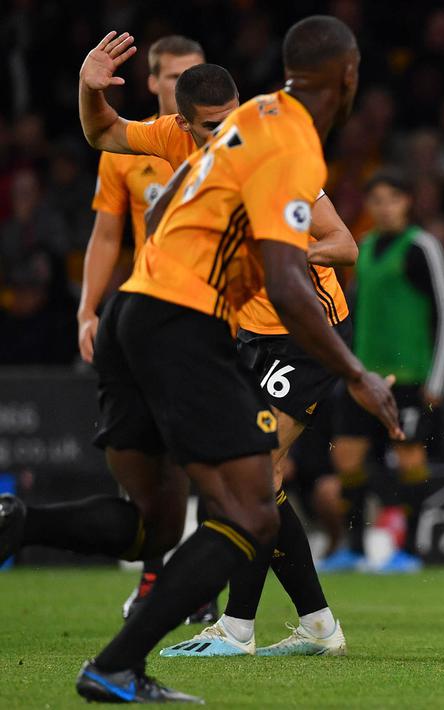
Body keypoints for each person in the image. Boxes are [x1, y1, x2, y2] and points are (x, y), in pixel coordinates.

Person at [0, 18, 401, 703]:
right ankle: (200, 640)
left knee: (155, 523)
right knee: (250, 506)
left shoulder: (230, 137)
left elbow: (129, 172)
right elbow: (284, 281)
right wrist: (356, 371)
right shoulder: (281, 144)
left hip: (138, 312)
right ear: (349, 76)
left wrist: (86, 91)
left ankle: (18, 523)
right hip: (189, 323)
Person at [77, 40, 359, 657]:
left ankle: (238, 629)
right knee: (252, 479)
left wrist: (283, 250)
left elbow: (343, 244)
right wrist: (88, 86)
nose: (227, 134)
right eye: (212, 126)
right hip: (247, 335)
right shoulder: (170, 140)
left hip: (306, 334)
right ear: (183, 125)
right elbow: (102, 133)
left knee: (254, 474)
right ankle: (318, 627)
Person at [73, 32, 217, 625]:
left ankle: (195, 582)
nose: (188, 84)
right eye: (176, 76)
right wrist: (88, 308)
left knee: (203, 453)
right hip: (150, 314)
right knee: (153, 451)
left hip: (212, 314)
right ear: (154, 82)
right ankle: (164, 576)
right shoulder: (133, 148)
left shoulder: (222, 140)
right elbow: (108, 233)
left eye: (197, 73)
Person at [321, 172, 444, 574]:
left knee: (410, 458)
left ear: (408, 202)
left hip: (409, 375)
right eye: (376, 200)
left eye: (392, 198)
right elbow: (352, 309)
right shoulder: (362, 246)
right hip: (363, 375)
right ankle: (355, 549)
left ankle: (409, 550)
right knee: (347, 458)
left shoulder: (421, 246)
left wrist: (437, 379)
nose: (384, 207)